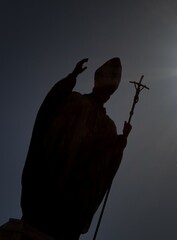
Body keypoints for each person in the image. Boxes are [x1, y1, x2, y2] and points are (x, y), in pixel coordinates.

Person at [21, 58, 131, 240]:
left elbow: (106, 163)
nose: (106, 92)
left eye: (110, 90)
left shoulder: (108, 127)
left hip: (73, 200)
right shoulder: (72, 99)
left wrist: (121, 141)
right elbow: (50, 105)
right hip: (48, 181)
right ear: (96, 82)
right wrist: (71, 78)